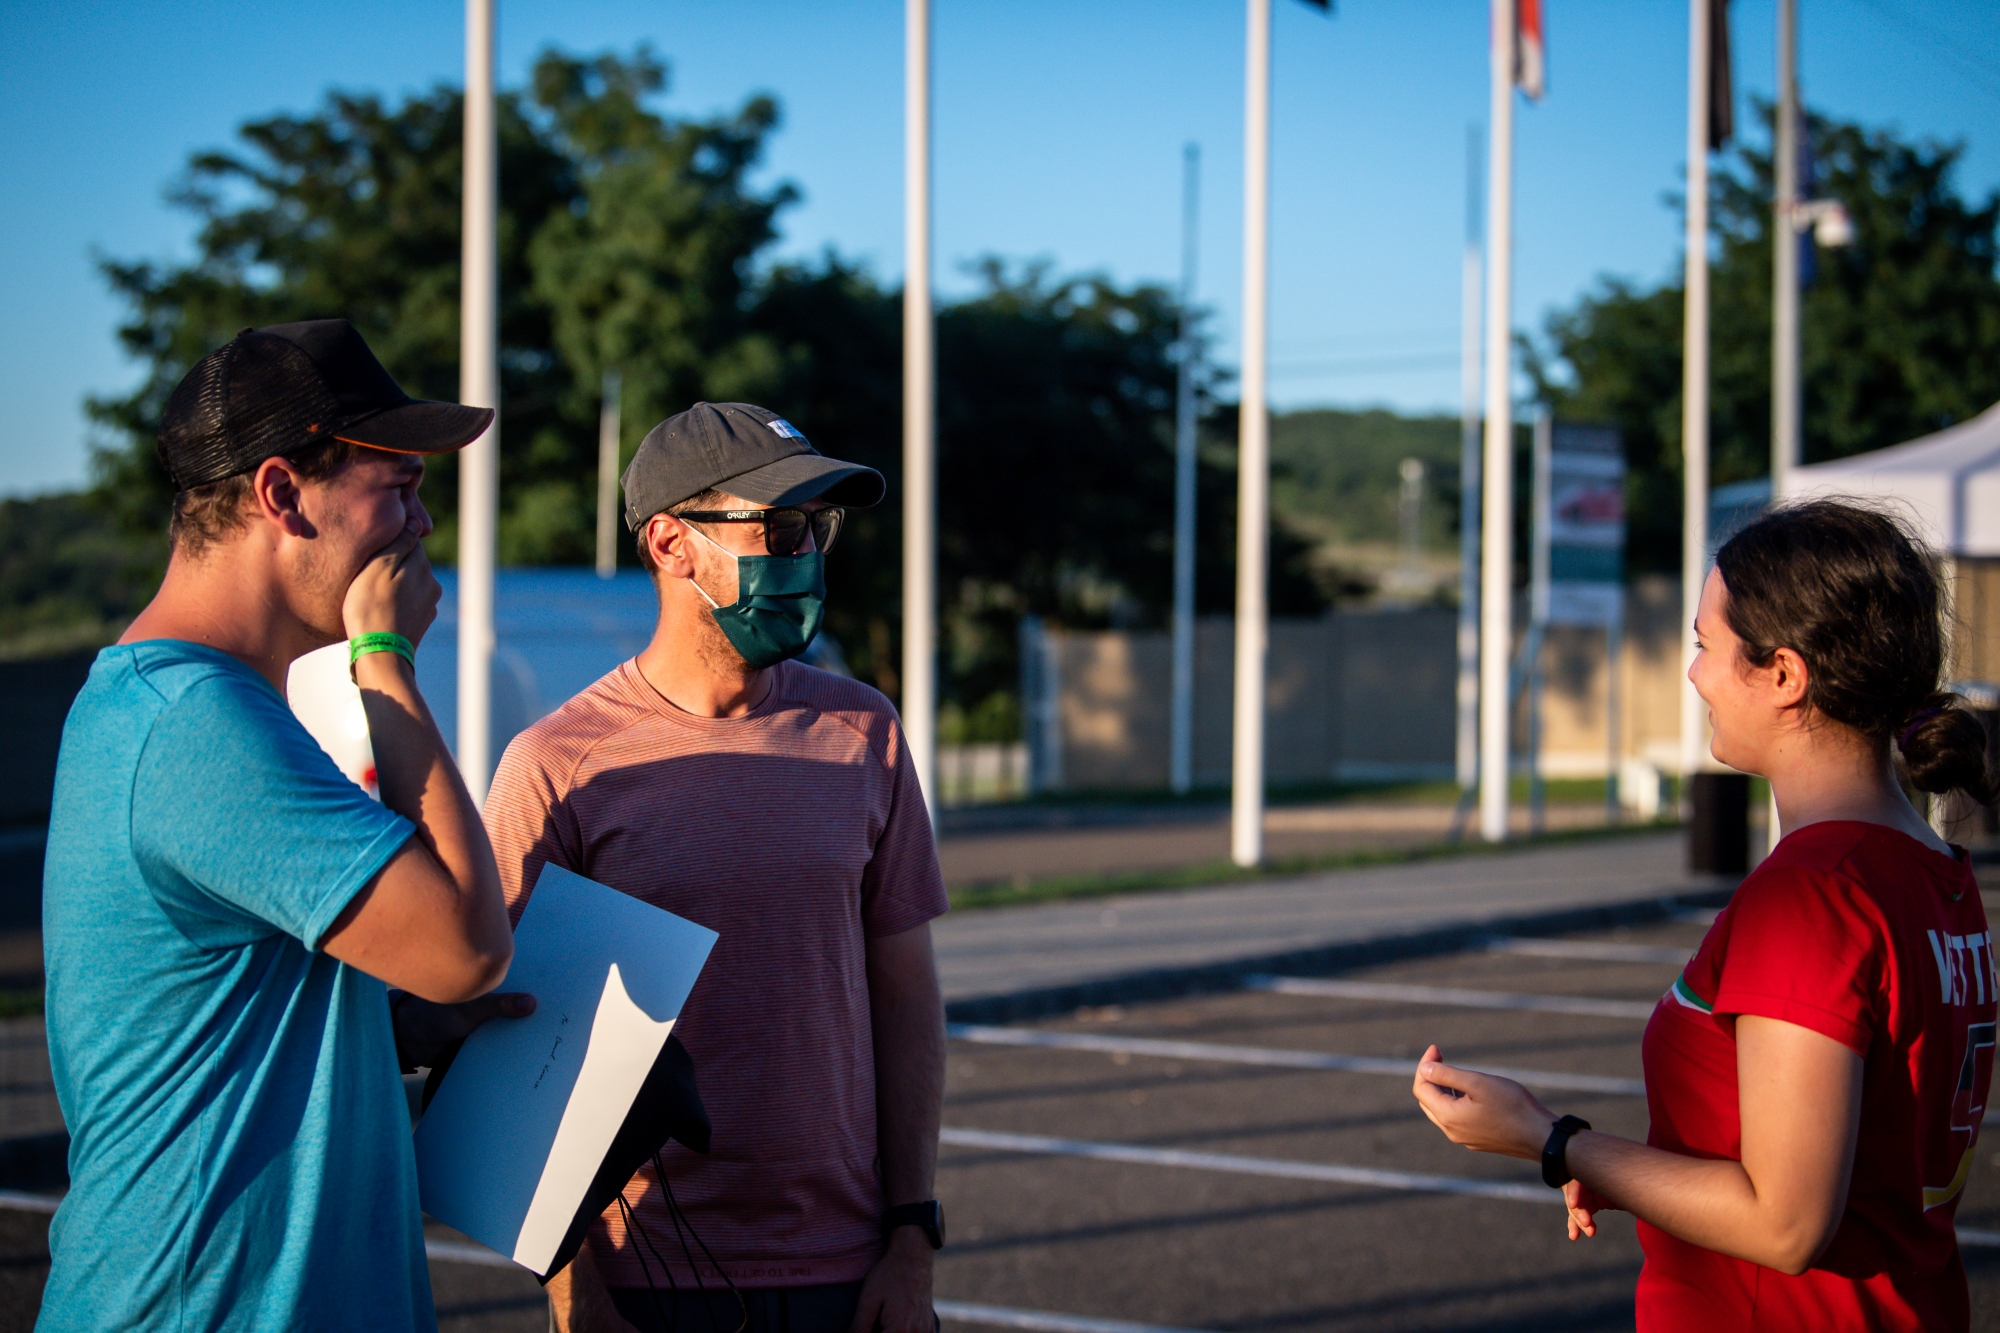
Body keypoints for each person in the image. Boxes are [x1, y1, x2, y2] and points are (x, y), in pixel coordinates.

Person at [40, 320, 532, 1330]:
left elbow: (218, 998)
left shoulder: (200, 707)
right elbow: (466, 947)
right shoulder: (193, 724)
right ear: (279, 494)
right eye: (395, 484)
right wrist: (384, 656)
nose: (420, 523)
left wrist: (385, 1026)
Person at [1412, 499, 1997, 1331]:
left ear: (1785, 676)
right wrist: (1627, 1173)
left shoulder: (1815, 893)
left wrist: (1549, 1138)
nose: (1694, 674)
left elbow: (1786, 1222)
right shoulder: (1934, 872)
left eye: (1706, 645)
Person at [482, 402, 948, 1333]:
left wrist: (909, 1237)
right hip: (650, 1270)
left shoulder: (864, 731)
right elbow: (510, 1051)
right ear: (669, 542)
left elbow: (905, 999)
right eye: (779, 526)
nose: (806, 554)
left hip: (847, 1271)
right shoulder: (559, 762)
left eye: (819, 527)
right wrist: (575, 1287)